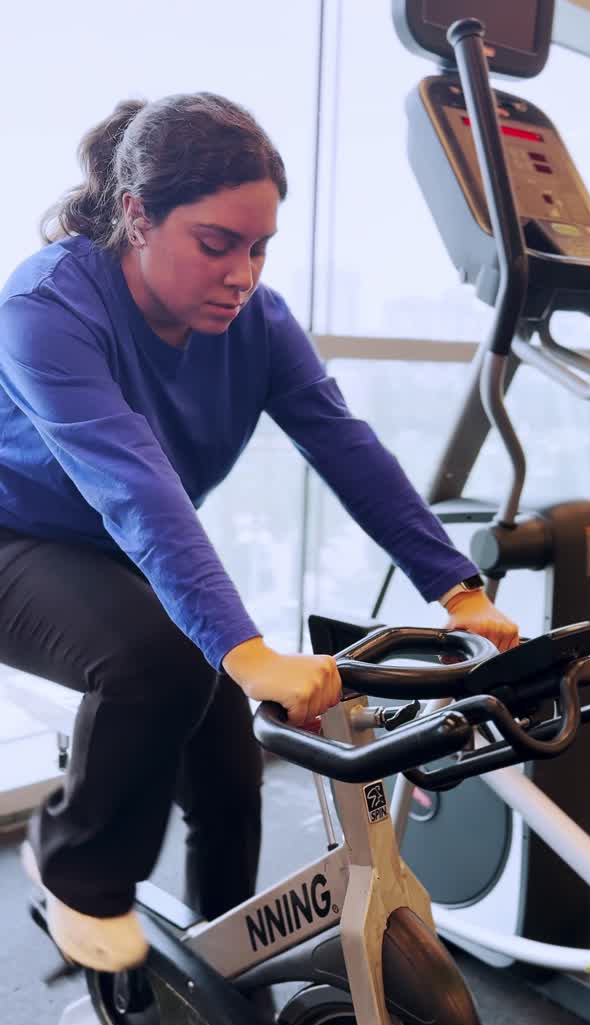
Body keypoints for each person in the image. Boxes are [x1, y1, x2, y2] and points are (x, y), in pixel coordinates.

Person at [0, 92, 518, 975]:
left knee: (235, 769)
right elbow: (134, 484)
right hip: (16, 540)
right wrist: (245, 650)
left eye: (259, 247)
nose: (242, 274)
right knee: (161, 662)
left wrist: (458, 591)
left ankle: (233, 973)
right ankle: (77, 870)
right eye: (217, 244)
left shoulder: (259, 323)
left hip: (118, 550)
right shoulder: (47, 307)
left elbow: (348, 449)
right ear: (137, 216)